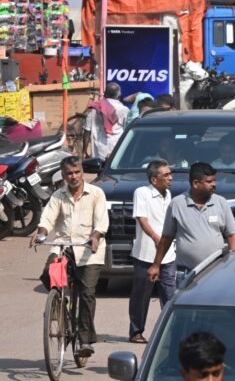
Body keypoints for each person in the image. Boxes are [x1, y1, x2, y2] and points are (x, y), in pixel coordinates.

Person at [30, 156, 108, 358]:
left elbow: (101, 222)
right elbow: (47, 219)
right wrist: (41, 233)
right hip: (64, 247)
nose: (73, 177)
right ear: (63, 176)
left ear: (82, 172)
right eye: (69, 173)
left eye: (77, 172)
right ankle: (59, 305)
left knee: (87, 293)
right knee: (48, 275)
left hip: (89, 250)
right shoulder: (58, 196)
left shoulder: (96, 193)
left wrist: (95, 236)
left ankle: (84, 340)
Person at [148, 162, 235, 282]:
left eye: (214, 180)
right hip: (186, 274)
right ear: (195, 183)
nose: (214, 184)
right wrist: (156, 265)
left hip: (216, 272)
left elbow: (232, 235)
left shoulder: (221, 202)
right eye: (209, 181)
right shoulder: (177, 204)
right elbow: (166, 239)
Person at [128, 160, 175, 344]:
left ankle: (171, 331)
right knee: (141, 296)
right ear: (154, 179)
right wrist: (156, 238)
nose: (170, 178)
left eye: (170, 174)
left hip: (168, 254)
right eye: (166, 175)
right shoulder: (142, 193)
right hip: (146, 254)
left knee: (170, 296)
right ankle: (136, 331)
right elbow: (142, 219)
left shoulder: (168, 194)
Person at [83, 82, 129, 161]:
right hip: (117, 152)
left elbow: (86, 133)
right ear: (119, 96)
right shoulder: (124, 110)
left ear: (105, 94)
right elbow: (128, 132)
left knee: (101, 173)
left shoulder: (94, 108)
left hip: (99, 153)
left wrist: (84, 151)